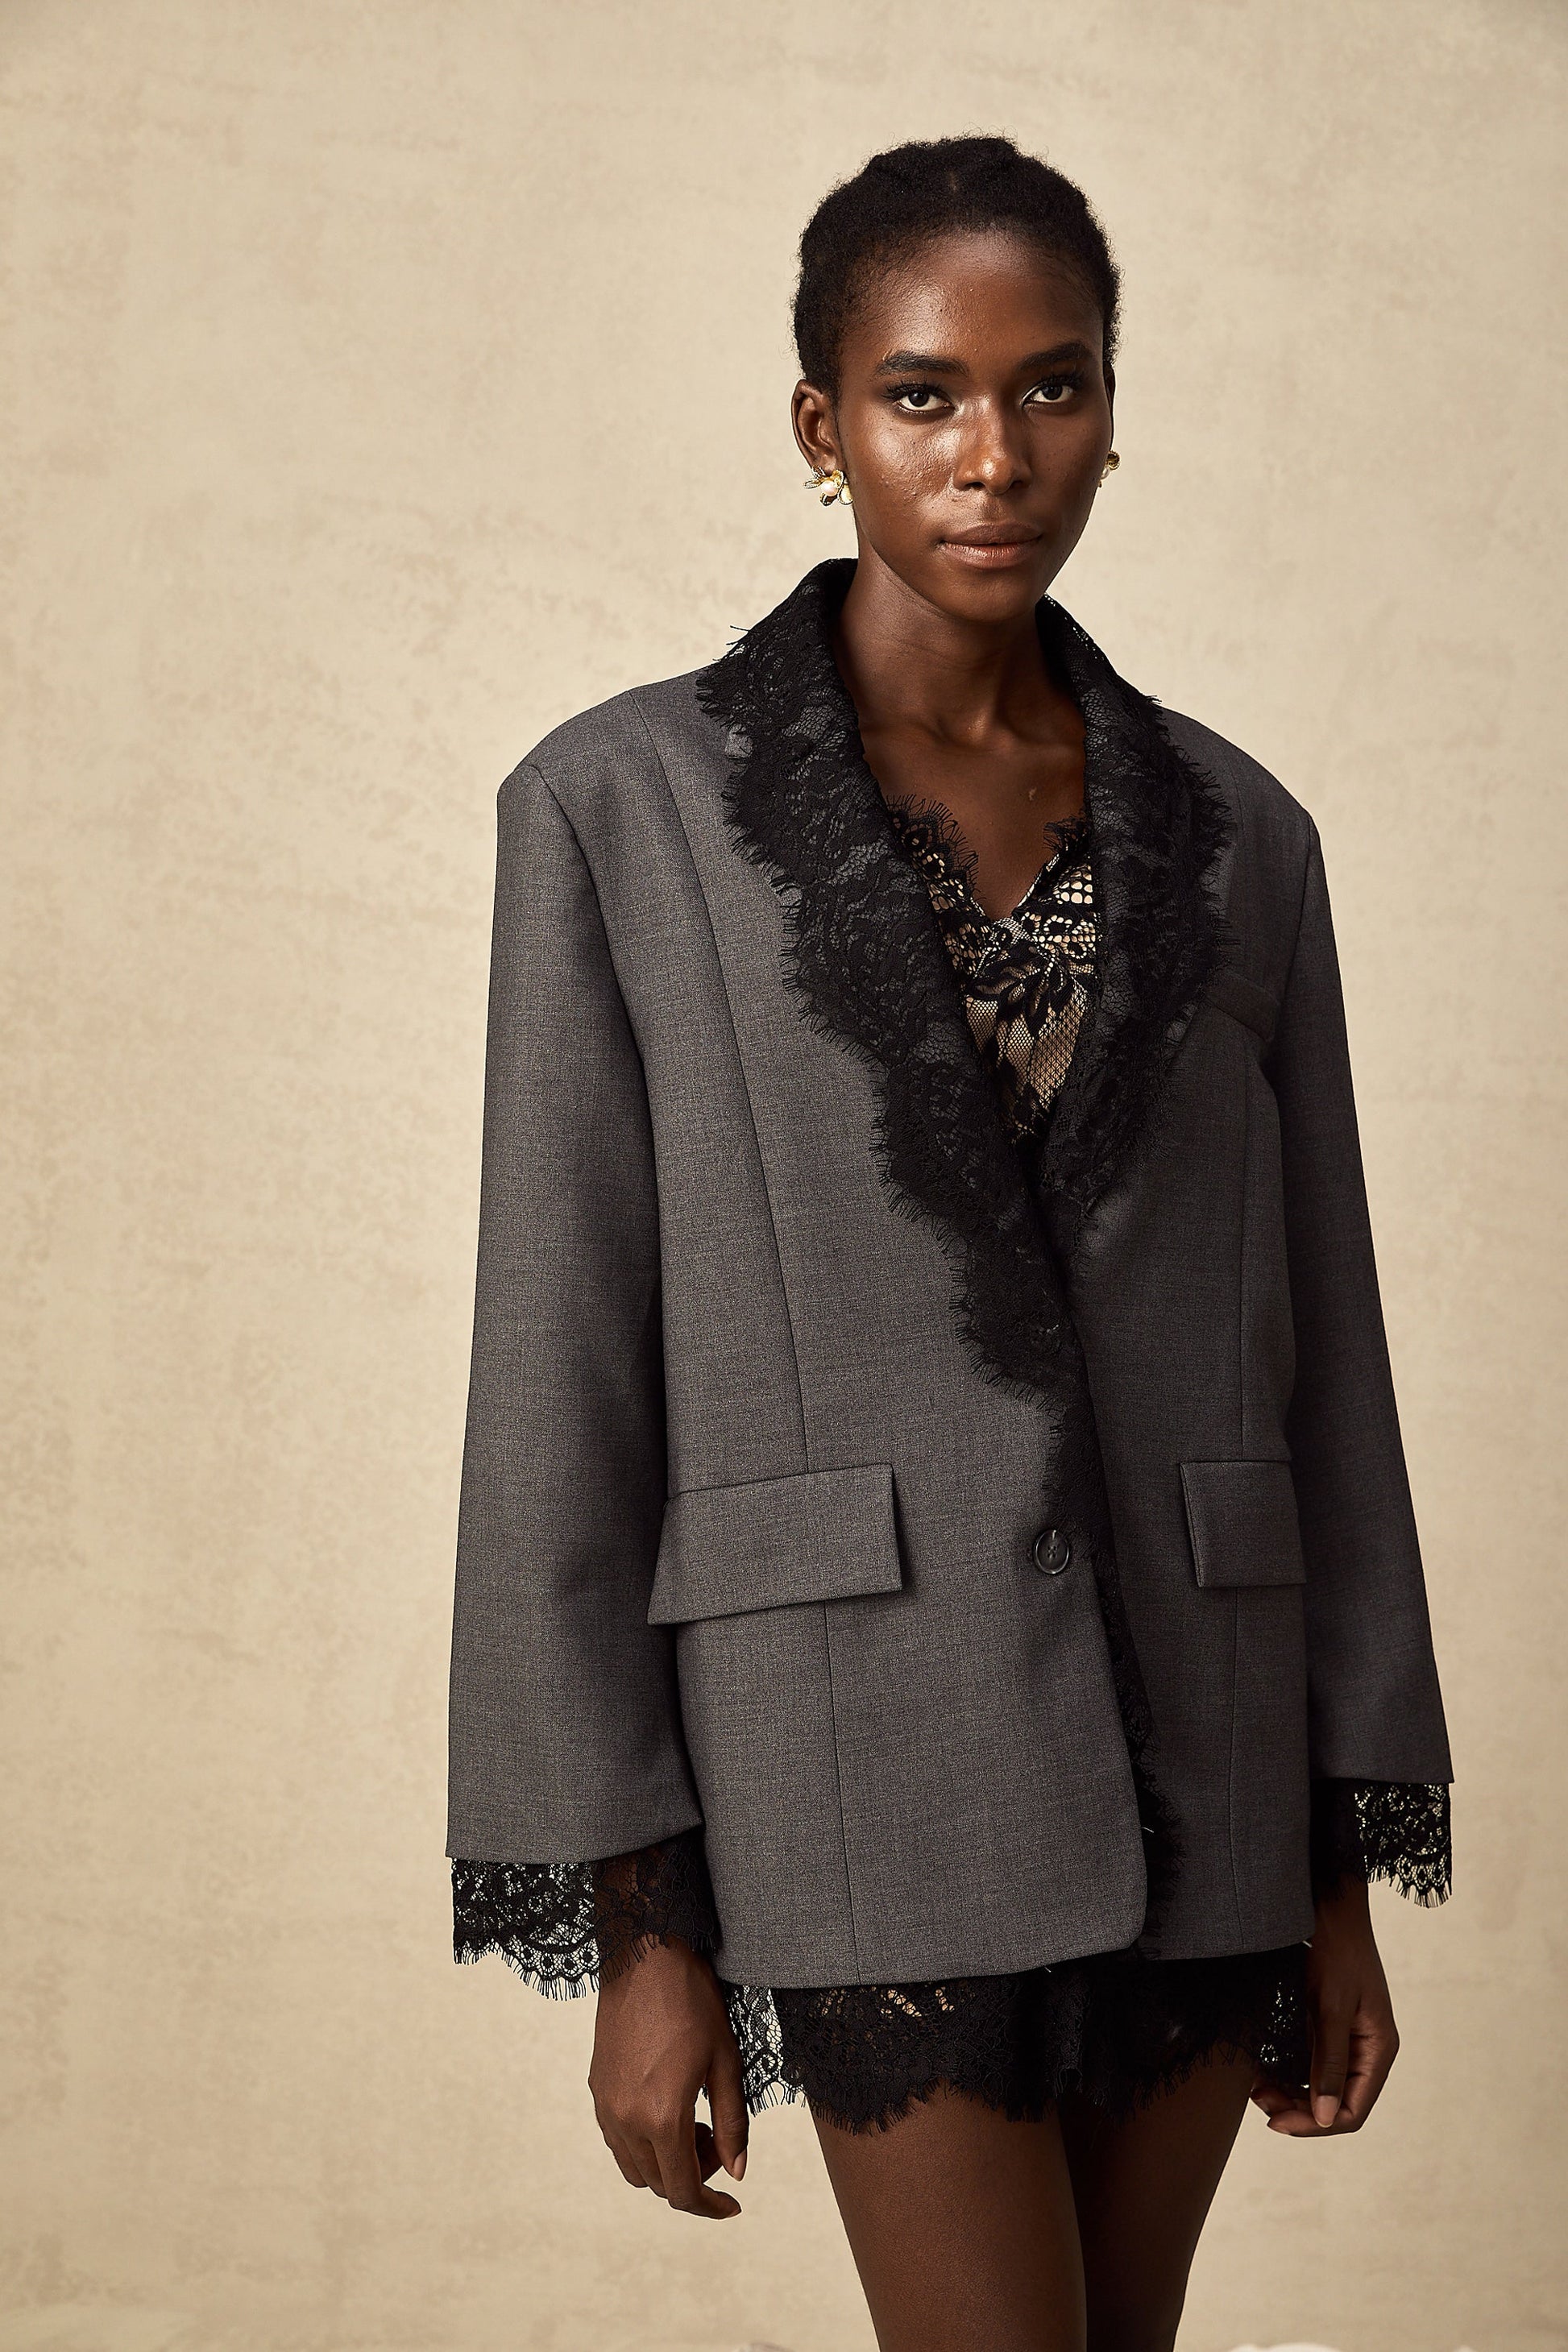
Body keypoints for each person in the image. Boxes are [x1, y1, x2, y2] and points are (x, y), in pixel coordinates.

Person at [445, 135, 1454, 2352]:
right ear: (823, 426)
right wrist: (640, 1924)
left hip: (1207, 1759)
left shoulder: (1243, 834)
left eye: (1050, 386)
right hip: (848, 1753)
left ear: (1110, 410)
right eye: (923, 395)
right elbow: (560, 1387)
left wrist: (1334, 1867)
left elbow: (1329, 1365)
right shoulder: (620, 813)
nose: (994, 455)